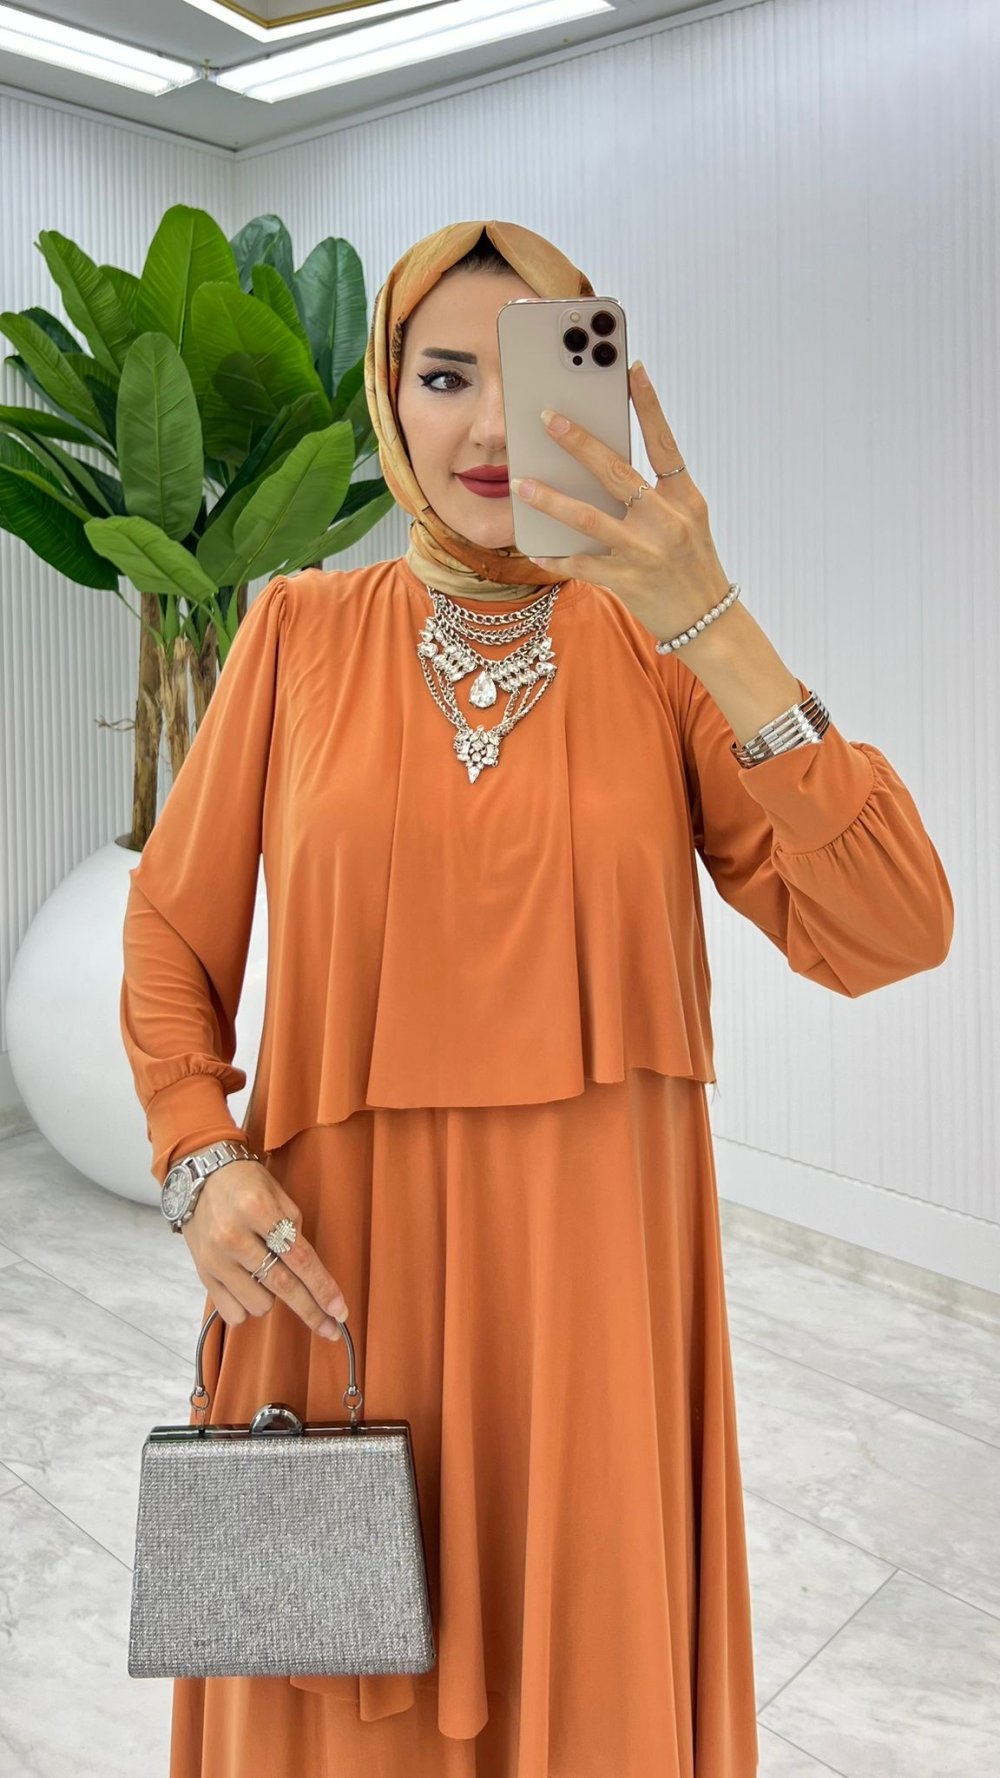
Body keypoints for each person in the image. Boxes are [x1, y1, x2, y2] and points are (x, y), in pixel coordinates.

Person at [119, 218, 954, 1778]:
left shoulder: (660, 653)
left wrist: (712, 612)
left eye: (530, 368)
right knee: (329, 1686)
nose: (493, 424)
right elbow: (172, 923)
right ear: (389, 395)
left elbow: (893, 927)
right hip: (339, 1285)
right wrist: (196, 1148)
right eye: (445, 376)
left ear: (606, 388)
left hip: (595, 1303)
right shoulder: (295, 628)